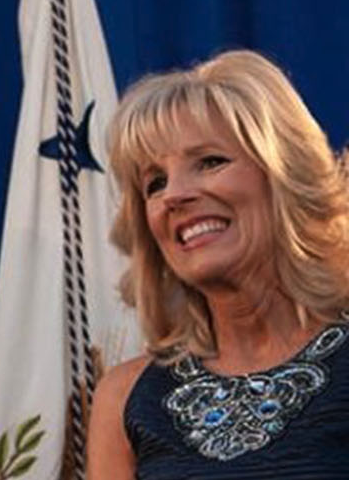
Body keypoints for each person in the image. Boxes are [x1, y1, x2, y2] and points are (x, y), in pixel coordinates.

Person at [87, 50, 349, 477]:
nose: (174, 195)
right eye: (155, 183)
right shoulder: (122, 399)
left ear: (285, 176)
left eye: (209, 162)